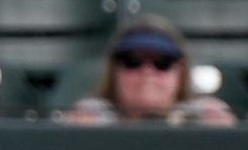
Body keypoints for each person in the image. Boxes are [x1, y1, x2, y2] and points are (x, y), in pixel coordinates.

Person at [65, 14, 237, 126]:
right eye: (133, 61)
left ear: (181, 71)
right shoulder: (89, 119)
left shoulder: (204, 120)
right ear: (114, 71)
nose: (147, 72)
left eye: (162, 63)